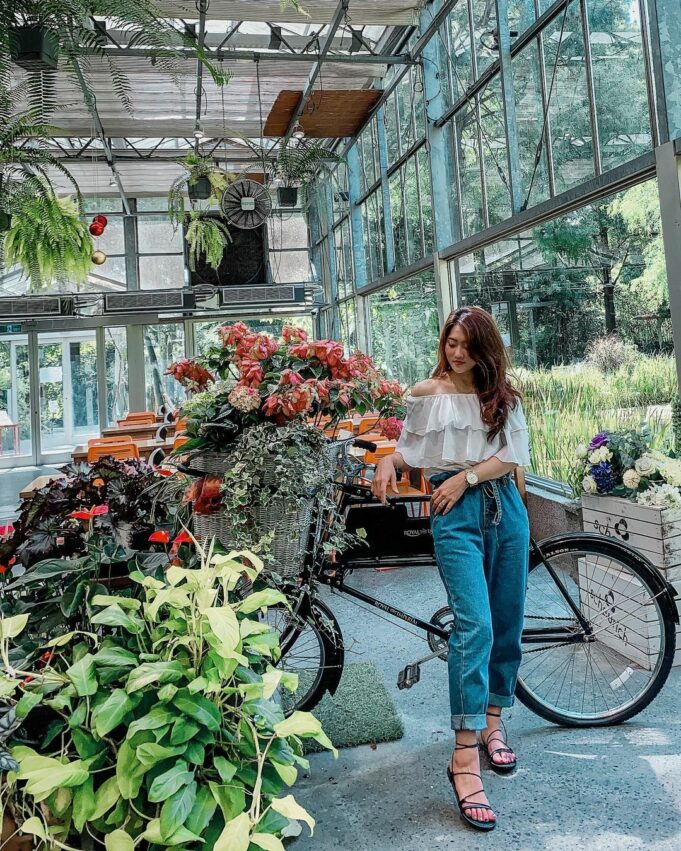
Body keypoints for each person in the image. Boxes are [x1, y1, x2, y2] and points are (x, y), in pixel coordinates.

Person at [371, 306, 531, 833]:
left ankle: (493, 724)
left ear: (484, 349)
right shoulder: (427, 394)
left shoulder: (503, 396)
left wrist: (467, 477)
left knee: (505, 623)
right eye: (449, 342)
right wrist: (388, 461)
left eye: (464, 344)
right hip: (455, 516)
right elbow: (409, 451)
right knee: (475, 627)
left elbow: (512, 456)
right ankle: (463, 759)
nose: (454, 352)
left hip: (504, 509)